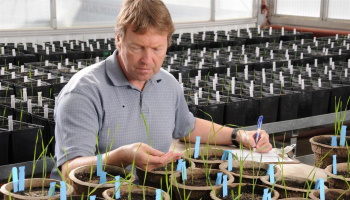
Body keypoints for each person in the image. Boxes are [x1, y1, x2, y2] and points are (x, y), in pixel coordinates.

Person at [51, 0, 272, 180]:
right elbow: (70, 169)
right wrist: (121, 157)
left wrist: (238, 135)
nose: (148, 59)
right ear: (119, 39)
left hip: (150, 190)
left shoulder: (166, 83)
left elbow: (187, 126)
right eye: (137, 47)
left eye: (157, 48)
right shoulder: (84, 92)